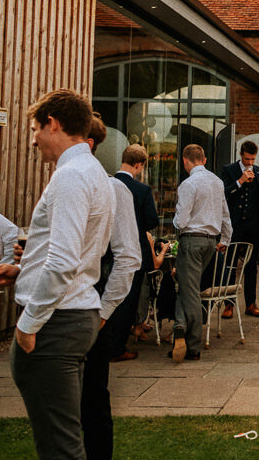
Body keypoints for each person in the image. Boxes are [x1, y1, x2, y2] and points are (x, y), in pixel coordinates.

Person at [0, 89, 129, 459]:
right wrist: (22, 270)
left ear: (53, 124)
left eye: (36, 128)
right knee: (62, 439)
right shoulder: (93, 173)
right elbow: (77, 251)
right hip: (71, 314)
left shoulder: (71, 176)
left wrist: (27, 325)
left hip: (55, 321)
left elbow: (64, 260)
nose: (33, 139)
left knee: (60, 447)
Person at [80, 116, 143, 459]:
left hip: (88, 309)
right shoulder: (66, 181)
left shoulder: (112, 188)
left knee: (92, 403)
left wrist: (103, 313)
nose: (34, 140)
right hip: (60, 313)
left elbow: (128, 257)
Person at [170, 143, 232, 363]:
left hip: (192, 240)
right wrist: (225, 239)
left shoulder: (188, 184)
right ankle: (179, 325)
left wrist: (176, 224)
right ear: (204, 160)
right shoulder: (217, 182)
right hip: (210, 242)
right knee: (188, 287)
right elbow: (225, 215)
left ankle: (193, 344)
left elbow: (182, 219)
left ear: (185, 161)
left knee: (189, 291)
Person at [108, 143, 161, 361]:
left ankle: (105, 340)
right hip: (133, 250)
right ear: (139, 165)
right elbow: (151, 221)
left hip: (107, 248)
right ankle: (118, 347)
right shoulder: (141, 190)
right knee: (128, 299)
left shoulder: (107, 184)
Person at [221, 140, 259, 318]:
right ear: (241, 155)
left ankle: (251, 303)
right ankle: (229, 304)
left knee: (251, 266)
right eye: (247, 159)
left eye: (253, 159)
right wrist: (240, 181)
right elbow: (224, 193)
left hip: (253, 226)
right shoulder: (229, 170)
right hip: (234, 225)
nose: (250, 163)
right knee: (231, 265)